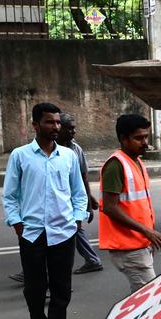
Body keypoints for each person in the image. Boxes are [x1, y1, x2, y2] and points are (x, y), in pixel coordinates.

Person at [1, 102, 88, 319]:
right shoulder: (20, 155)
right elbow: (10, 195)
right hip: (32, 234)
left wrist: (76, 219)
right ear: (35, 124)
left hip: (63, 232)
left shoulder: (69, 156)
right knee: (34, 290)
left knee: (62, 291)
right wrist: (17, 224)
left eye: (58, 122)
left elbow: (78, 193)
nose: (56, 127)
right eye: (50, 122)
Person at [99, 114, 161, 292]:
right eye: (138, 138)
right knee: (149, 299)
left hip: (140, 243)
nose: (145, 142)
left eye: (146, 137)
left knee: (142, 298)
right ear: (123, 138)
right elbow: (110, 207)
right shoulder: (116, 165)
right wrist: (146, 231)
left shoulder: (135, 161)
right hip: (129, 248)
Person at [60, 113, 103, 275]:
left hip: (71, 198)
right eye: (70, 128)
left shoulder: (75, 149)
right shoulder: (47, 148)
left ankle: (92, 260)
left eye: (74, 128)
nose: (74, 131)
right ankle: (92, 260)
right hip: (56, 198)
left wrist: (88, 200)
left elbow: (83, 176)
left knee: (74, 228)